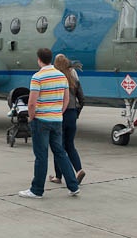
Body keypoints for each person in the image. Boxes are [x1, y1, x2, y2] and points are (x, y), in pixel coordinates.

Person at [19, 48, 80, 199]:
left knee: (41, 156)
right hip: (57, 120)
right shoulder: (62, 76)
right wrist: (58, 112)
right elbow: (66, 99)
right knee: (60, 153)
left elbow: (32, 103)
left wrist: (32, 117)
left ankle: (37, 190)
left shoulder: (37, 77)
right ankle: (73, 186)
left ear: (39, 59)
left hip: (41, 120)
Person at [49, 54, 87, 185]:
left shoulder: (56, 78)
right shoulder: (74, 79)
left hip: (59, 114)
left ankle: (58, 176)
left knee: (58, 146)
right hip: (72, 115)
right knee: (70, 145)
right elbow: (82, 99)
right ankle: (79, 169)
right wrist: (77, 113)